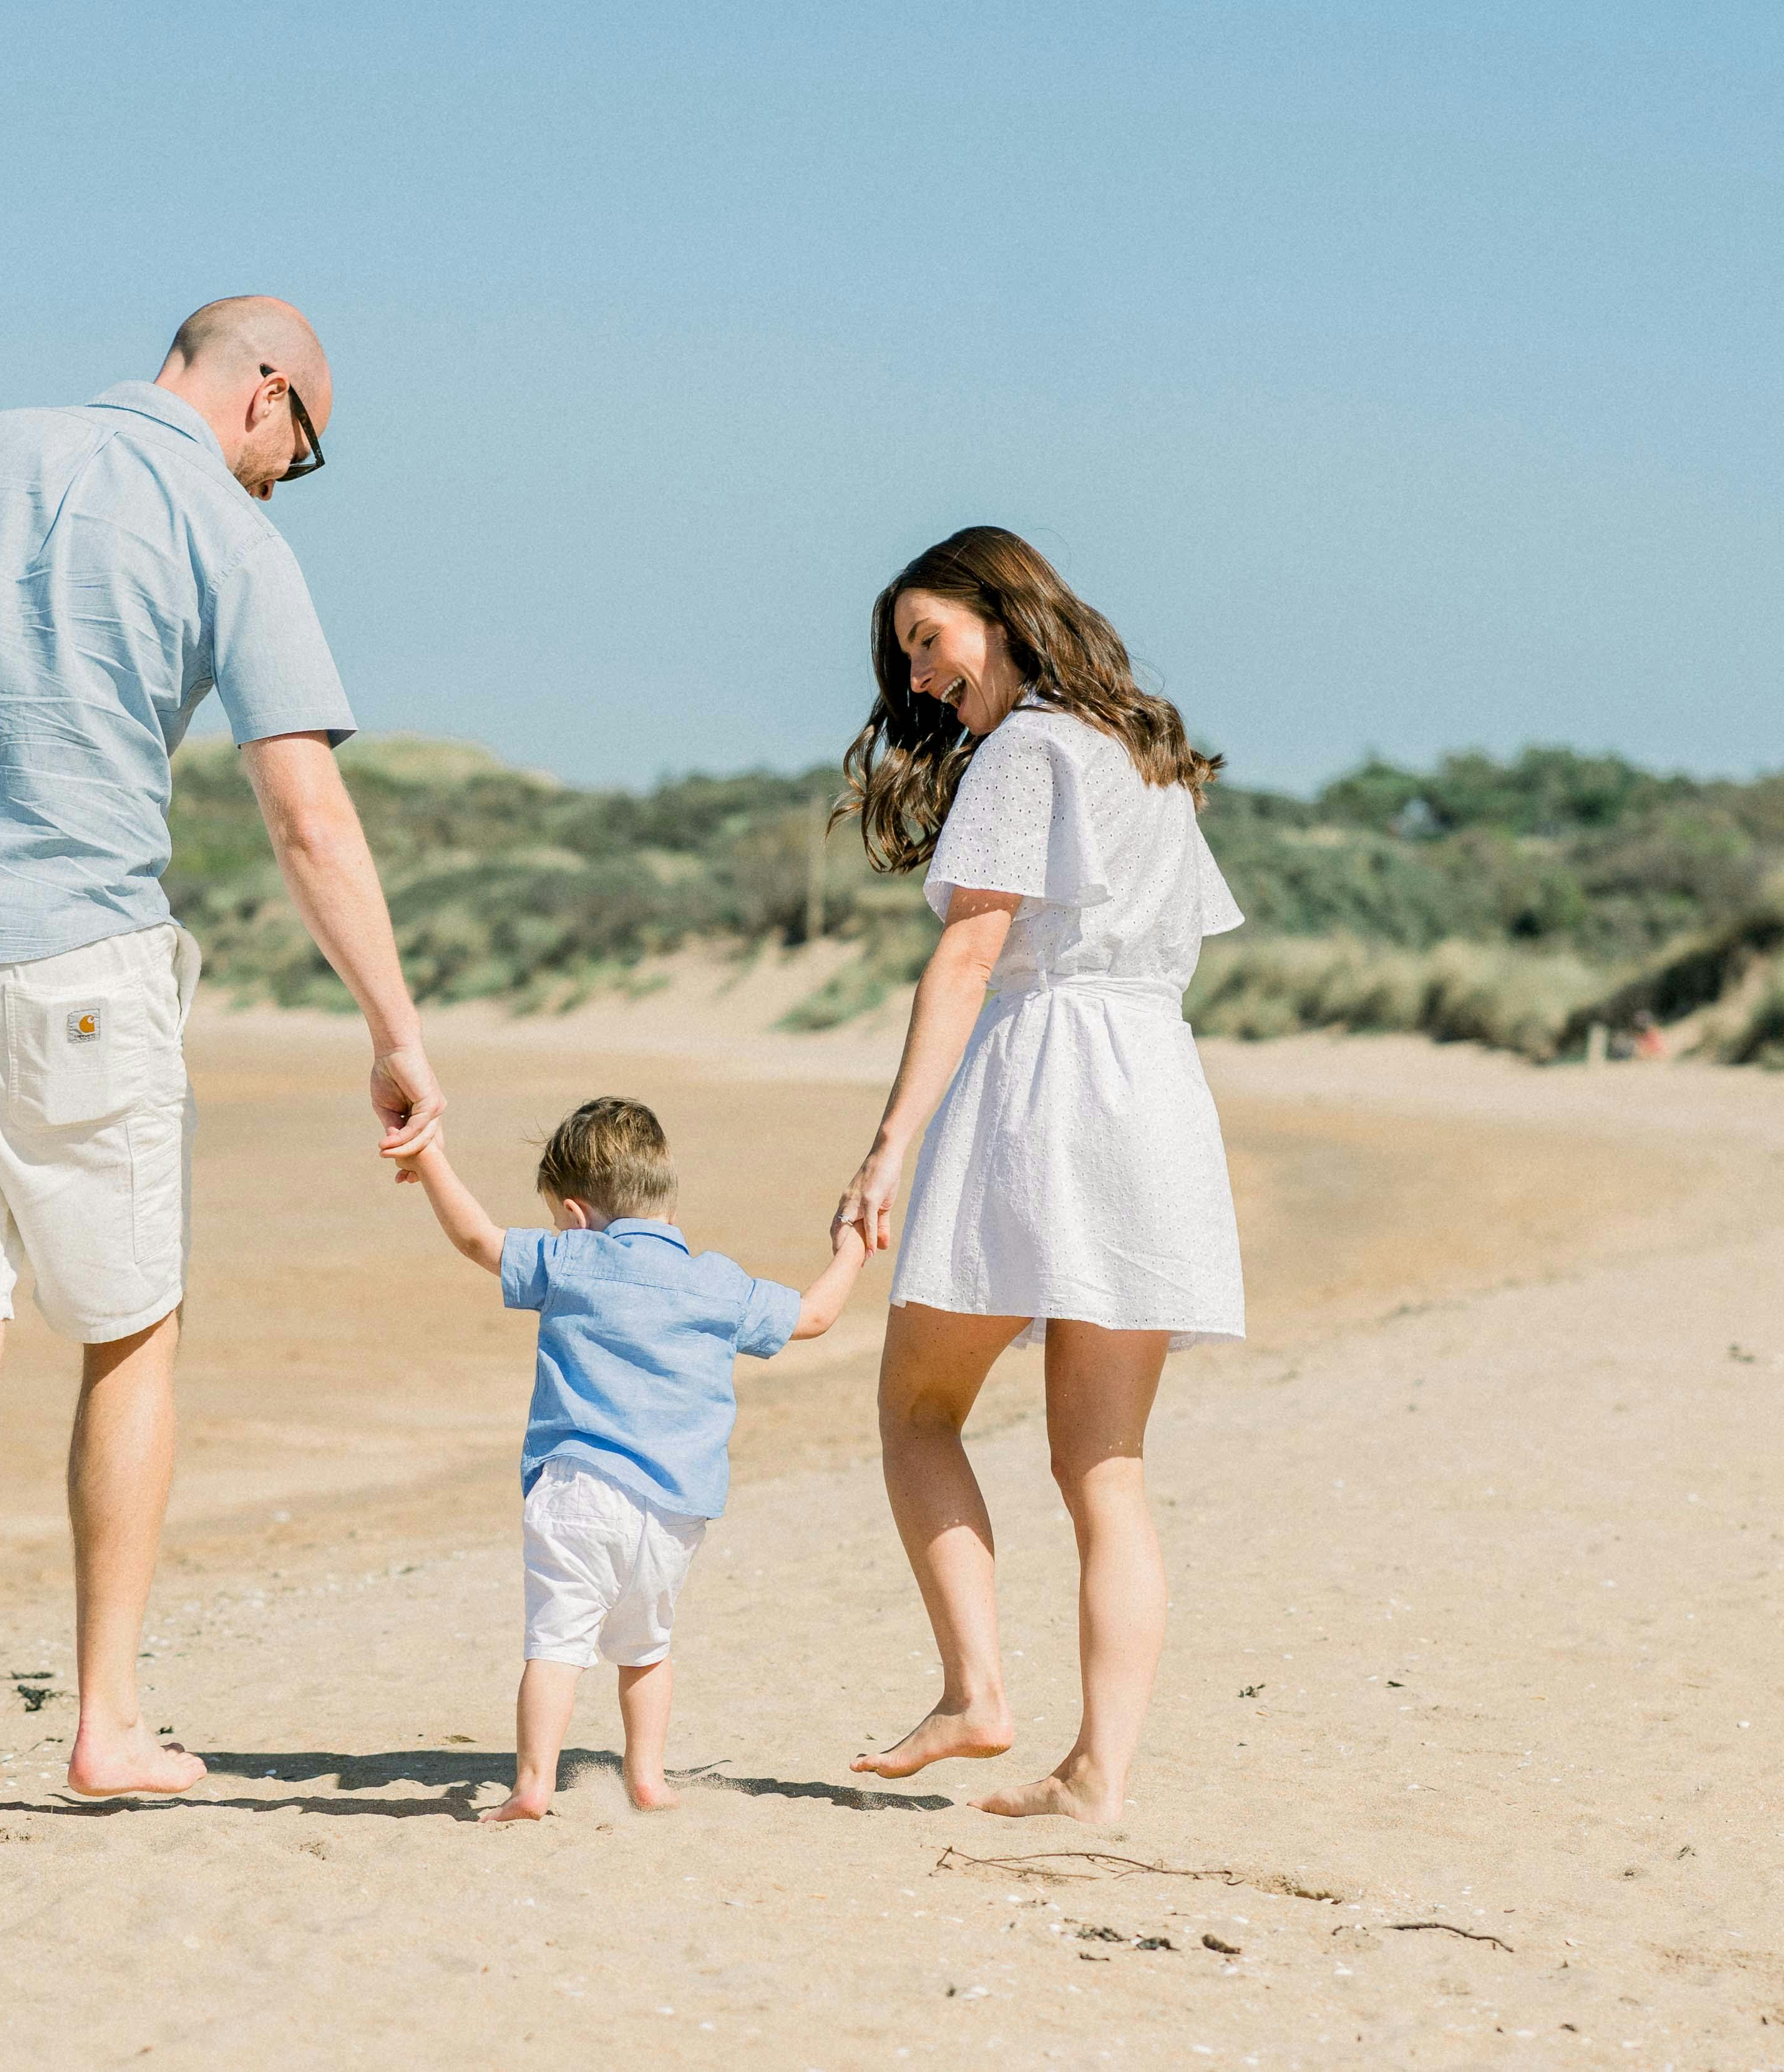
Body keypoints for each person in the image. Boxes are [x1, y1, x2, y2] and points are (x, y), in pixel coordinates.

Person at [0, 296, 445, 1826]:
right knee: (128, 1328)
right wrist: (394, 1030)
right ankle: (106, 1720)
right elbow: (304, 813)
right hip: (76, 962)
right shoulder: (224, 528)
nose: (290, 472)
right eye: (306, 445)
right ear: (263, 393)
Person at [828, 526, 1246, 1825]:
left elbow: (970, 955)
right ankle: (1098, 1775)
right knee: (1105, 1466)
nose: (918, 677)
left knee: (917, 1408)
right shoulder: (1151, 758)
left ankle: (976, 1689)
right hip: (1157, 1087)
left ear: (1004, 612)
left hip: (1049, 1078)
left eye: (928, 639)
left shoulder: (1027, 749)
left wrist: (888, 1141)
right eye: (904, 659)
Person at [391, 1098, 868, 1822]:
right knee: (647, 1646)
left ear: (577, 1214)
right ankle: (647, 1776)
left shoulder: (573, 1256)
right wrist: (853, 1247)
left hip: (579, 1484)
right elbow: (813, 1316)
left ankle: (532, 1785)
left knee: (556, 1641)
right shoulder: (717, 1282)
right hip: (676, 1505)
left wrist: (426, 1158)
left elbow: (476, 1239)